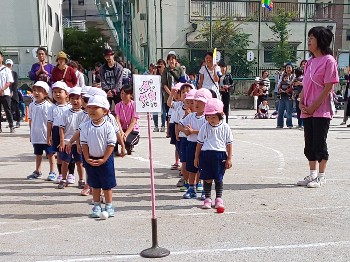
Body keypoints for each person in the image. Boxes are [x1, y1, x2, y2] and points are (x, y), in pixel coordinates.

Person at [297, 26, 339, 188]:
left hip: (321, 110)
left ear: (320, 41)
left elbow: (328, 87)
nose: (308, 41)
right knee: (309, 144)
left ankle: (321, 176)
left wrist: (314, 106)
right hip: (307, 109)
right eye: (308, 38)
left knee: (319, 143)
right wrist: (301, 102)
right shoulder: (310, 62)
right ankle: (312, 174)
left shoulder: (329, 61)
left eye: (311, 38)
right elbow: (306, 85)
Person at [80, 95, 122, 218]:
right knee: (95, 184)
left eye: (96, 108)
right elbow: (84, 144)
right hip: (91, 159)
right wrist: (87, 158)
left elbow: (111, 144)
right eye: (90, 108)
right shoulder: (85, 126)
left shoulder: (108, 126)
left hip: (106, 159)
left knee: (107, 185)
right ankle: (96, 205)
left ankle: (109, 205)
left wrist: (104, 159)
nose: (92, 110)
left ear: (105, 111)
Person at [194, 98, 233, 210]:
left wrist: (229, 158)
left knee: (218, 178)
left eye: (214, 117)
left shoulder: (225, 127)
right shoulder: (204, 127)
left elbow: (229, 144)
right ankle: (207, 198)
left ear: (220, 115)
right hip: (206, 155)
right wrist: (196, 157)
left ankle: (219, 199)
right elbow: (199, 143)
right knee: (207, 178)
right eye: (208, 117)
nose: (211, 119)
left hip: (220, 156)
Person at [179, 88, 212, 200]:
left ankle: (204, 190)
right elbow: (180, 125)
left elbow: (208, 131)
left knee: (203, 168)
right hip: (191, 145)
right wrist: (185, 130)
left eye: (201, 102)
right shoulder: (191, 116)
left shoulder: (208, 118)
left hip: (204, 147)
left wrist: (193, 131)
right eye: (196, 101)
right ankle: (191, 188)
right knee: (191, 168)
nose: (197, 104)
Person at [26, 81, 56, 179]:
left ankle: (52, 172)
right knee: (38, 153)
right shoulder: (32, 105)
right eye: (34, 90)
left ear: (46, 93)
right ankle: (38, 171)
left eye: (39, 91)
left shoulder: (49, 106)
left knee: (50, 154)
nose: (36, 93)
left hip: (47, 135)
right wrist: (31, 133)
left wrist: (50, 135)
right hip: (36, 135)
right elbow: (30, 120)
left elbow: (51, 122)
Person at [58, 87, 84, 189]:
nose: (75, 101)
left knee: (79, 162)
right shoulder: (66, 113)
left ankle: (81, 180)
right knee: (65, 161)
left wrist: (80, 143)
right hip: (67, 142)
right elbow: (61, 128)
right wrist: (62, 141)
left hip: (79, 143)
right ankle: (64, 179)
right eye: (72, 98)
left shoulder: (84, 114)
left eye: (78, 98)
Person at [47, 81, 71, 182]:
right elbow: (49, 123)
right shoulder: (52, 107)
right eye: (54, 92)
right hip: (56, 130)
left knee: (69, 152)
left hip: (68, 131)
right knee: (60, 154)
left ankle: (71, 174)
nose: (57, 94)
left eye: (59, 92)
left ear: (66, 94)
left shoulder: (69, 107)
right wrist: (49, 135)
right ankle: (61, 174)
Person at [174, 83, 194, 192]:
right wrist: (177, 133)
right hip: (183, 138)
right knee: (185, 161)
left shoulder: (198, 111)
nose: (186, 94)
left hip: (195, 140)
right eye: (183, 92)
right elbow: (178, 123)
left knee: (195, 161)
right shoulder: (179, 109)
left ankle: (196, 182)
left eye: (189, 92)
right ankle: (186, 180)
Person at [114, 85, 140, 155]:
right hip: (121, 129)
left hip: (132, 130)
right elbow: (117, 120)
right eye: (122, 93)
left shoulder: (135, 105)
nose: (123, 96)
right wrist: (121, 132)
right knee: (112, 137)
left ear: (131, 95)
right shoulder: (117, 105)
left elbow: (133, 122)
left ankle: (129, 147)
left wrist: (125, 134)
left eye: (126, 94)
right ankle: (115, 151)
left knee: (127, 142)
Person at [167, 83, 182, 172]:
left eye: (178, 93)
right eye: (175, 93)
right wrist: (171, 94)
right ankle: (177, 162)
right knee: (176, 146)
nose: (176, 96)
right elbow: (169, 103)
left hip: (180, 126)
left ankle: (182, 163)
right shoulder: (176, 104)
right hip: (173, 125)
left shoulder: (184, 104)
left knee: (181, 146)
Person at [0, 51, 15, 133]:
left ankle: (11, 125)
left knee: (7, 110)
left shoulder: (6, 70)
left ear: (2, 58)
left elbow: (9, 82)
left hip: (5, 93)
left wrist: (2, 89)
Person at [153, 59, 167, 132]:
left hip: (164, 93)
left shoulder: (166, 73)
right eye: (159, 65)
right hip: (156, 94)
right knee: (155, 109)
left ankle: (163, 125)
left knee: (163, 109)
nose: (160, 66)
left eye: (162, 64)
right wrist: (154, 72)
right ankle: (156, 125)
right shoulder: (155, 74)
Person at [6, 59, 20, 128]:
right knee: (9, 108)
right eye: (7, 65)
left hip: (13, 93)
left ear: (12, 66)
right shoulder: (4, 73)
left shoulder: (14, 73)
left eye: (10, 65)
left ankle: (18, 121)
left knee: (16, 107)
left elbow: (15, 83)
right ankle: (10, 122)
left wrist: (12, 91)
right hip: (6, 93)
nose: (8, 66)